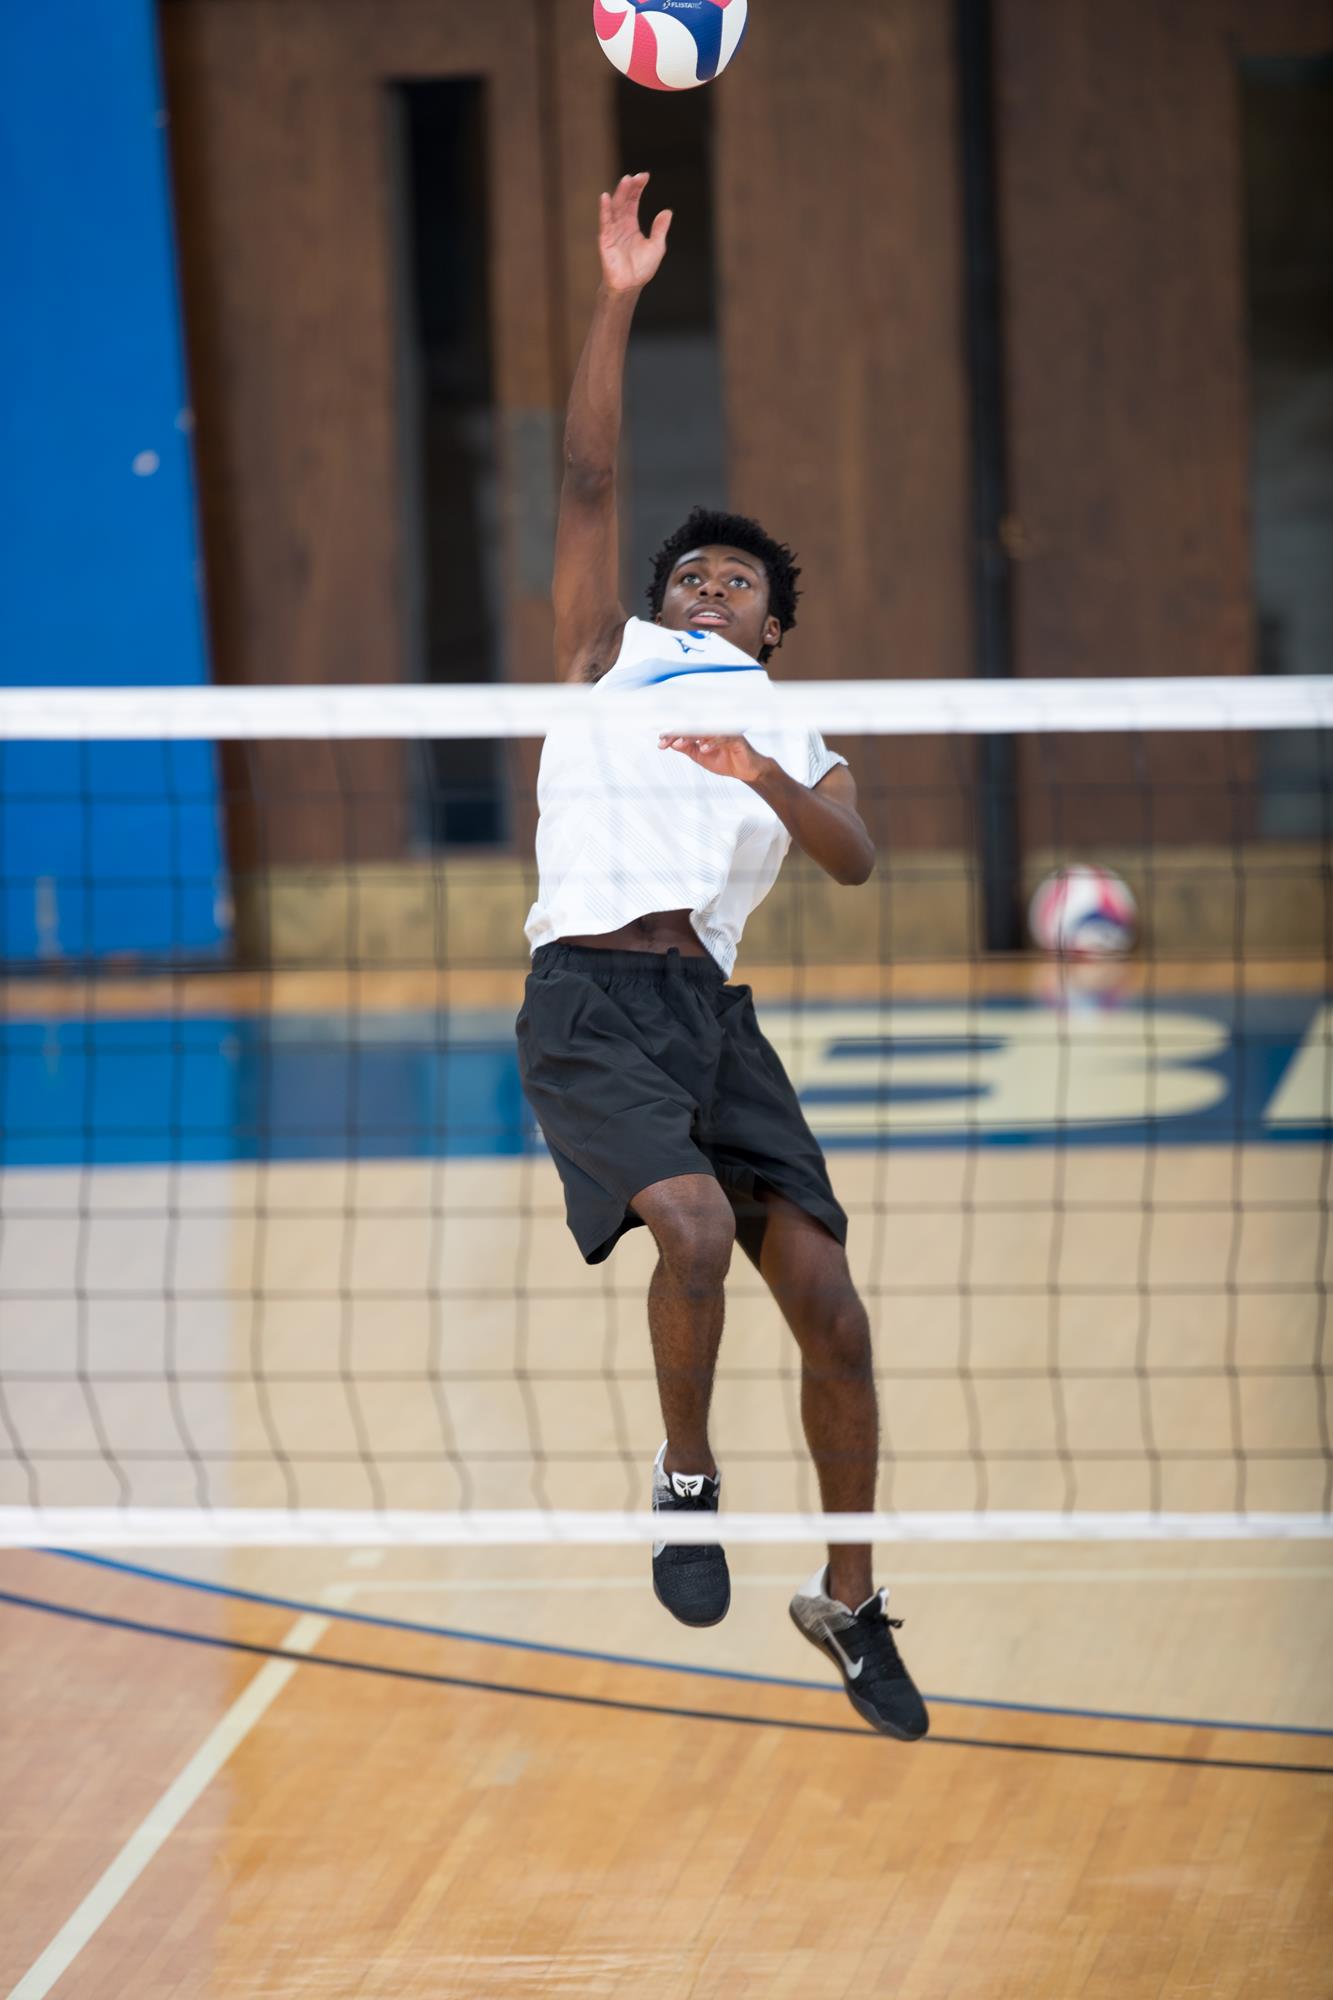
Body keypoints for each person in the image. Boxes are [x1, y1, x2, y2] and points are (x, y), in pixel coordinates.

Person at [517, 173, 927, 1741]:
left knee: (832, 1313)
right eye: (689, 572)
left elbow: (855, 858)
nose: (702, 585)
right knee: (687, 1229)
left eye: (733, 582)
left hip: (712, 1012)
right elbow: (584, 474)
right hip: (585, 1001)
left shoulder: (789, 724)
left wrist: (758, 775)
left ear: (769, 632)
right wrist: (616, 295)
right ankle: (685, 1478)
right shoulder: (603, 658)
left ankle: (850, 1597)